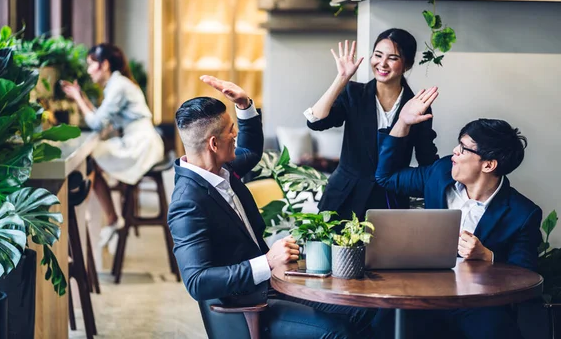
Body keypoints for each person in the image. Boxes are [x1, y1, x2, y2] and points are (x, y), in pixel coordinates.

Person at [168, 76, 369, 338]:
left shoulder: (221, 169)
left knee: (365, 310)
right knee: (337, 331)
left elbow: (250, 150)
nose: (235, 133)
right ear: (214, 144)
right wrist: (267, 261)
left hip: (271, 287)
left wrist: (244, 104)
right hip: (246, 304)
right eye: (230, 129)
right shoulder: (187, 202)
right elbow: (197, 282)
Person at [373, 86, 542, 339]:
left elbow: (526, 277)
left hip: (479, 305)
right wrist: (402, 123)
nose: (454, 152)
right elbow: (385, 177)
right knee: (382, 325)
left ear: (488, 164)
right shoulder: (439, 173)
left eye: (463, 149)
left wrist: (488, 256)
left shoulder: (522, 213)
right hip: (424, 296)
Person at [305, 29, 438, 221]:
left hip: (389, 201)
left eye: (392, 58)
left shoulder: (417, 105)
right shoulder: (354, 93)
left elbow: (427, 158)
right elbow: (316, 122)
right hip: (344, 197)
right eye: (377, 55)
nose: (382, 63)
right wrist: (341, 79)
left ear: (407, 64)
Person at [61, 43, 164, 246]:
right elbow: (102, 119)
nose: (89, 70)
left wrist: (76, 99)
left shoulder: (119, 86)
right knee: (93, 159)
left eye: (91, 65)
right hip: (139, 140)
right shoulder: (117, 85)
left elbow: (98, 124)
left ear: (104, 64)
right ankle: (108, 218)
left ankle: (93, 214)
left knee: (91, 157)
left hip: (140, 145)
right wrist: (80, 97)